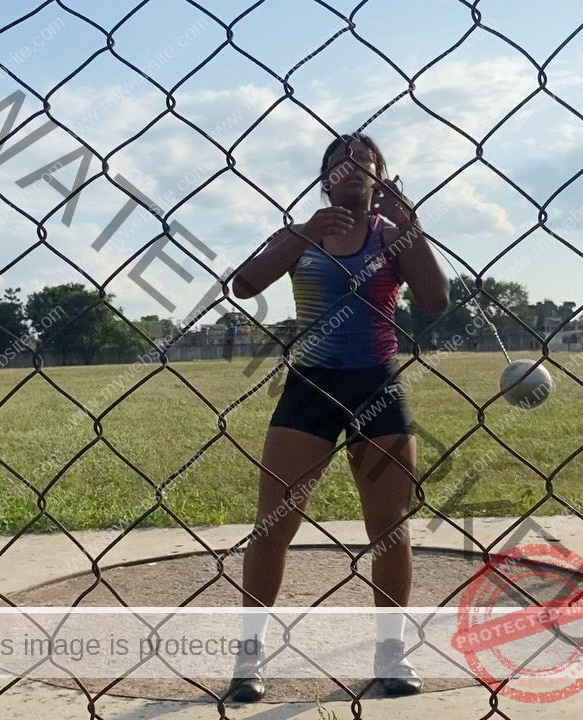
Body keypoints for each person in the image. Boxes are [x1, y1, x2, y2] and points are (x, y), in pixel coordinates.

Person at [228, 133, 450, 702]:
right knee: (275, 523)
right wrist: (305, 232)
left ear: (382, 178)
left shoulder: (394, 237)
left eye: (366, 161)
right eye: (340, 161)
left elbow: (434, 299)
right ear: (324, 177)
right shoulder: (300, 234)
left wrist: (413, 226)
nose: (353, 167)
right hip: (310, 388)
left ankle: (390, 653)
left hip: (377, 385)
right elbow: (245, 283)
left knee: (390, 526)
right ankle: (249, 657)